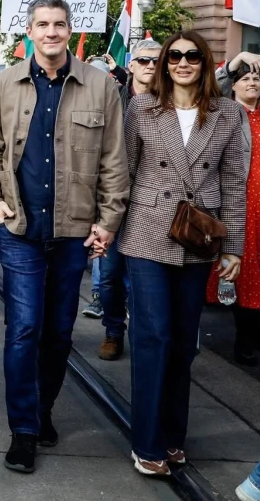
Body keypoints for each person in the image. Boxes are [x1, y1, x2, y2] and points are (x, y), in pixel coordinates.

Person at [0, 0, 128, 474]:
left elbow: (113, 159)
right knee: (24, 329)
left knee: (59, 332)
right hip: (20, 229)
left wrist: (108, 222)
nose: (51, 32)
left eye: (59, 24)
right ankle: (23, 429)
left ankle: (43, 409)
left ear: (71, 29)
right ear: (29, 30)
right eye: (42, 24)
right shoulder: (4, 83)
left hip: (75, 232)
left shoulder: (100, 84)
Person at [116, 31, 246, 476]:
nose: (183, 62)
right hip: (147, 232)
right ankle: (147, 442)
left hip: (199, 237)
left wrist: (234, 247)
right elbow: (125, 171)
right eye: (175, 56)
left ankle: (173, 435)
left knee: (183, 344)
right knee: (152, 337)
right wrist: (107, 230)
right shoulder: (142, 108)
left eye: (193, 56)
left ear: (205, 63)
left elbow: (233, 182)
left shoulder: (227, 114)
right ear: (165, 63)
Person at [81, 39, 163, 361]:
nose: (150, 67)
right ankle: (113, 330)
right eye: (143, 61)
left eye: (157, 61)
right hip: (112, 203)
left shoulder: (172, 103)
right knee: (111, 275)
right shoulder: (112, 97)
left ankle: (146, 337)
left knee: (147, 277)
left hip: (152, 205)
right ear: (131, 65)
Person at [214, 63, 260, 366]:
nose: (252, 82)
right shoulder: (226, 114)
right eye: (245, 78)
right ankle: (245, 336)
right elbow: (216, 82)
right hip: (241, 207)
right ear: (233, 86)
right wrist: (239, 59)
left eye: (257, 79)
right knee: (244, 270)